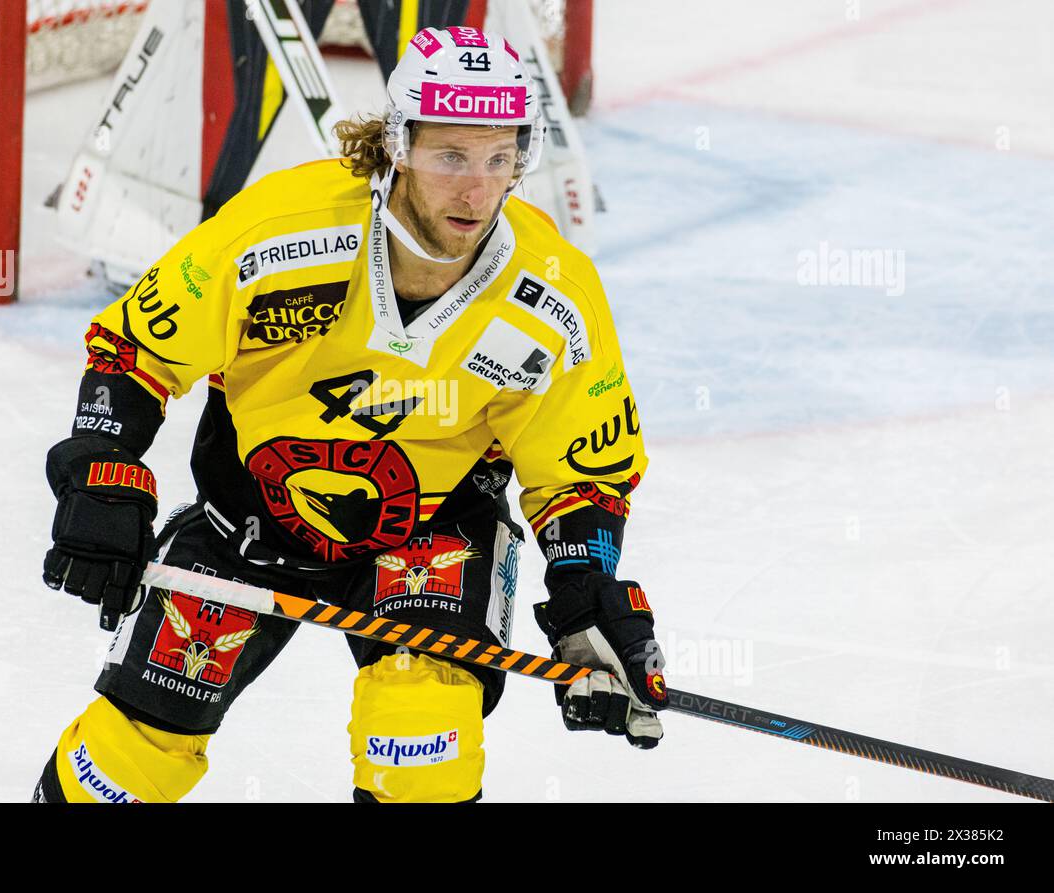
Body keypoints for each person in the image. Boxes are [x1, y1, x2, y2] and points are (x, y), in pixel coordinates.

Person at [34, 25, 667, 804]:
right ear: (398, 144)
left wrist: (586, 592)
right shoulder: (281, 229)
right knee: (126, 762)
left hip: (430, 535)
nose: (478, 191)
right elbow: (136, 346)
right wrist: (105, 469)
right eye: (451, 157)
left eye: (501, 159)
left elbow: (581, 474)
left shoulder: (553, 297)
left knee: (421, 741)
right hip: (252, 520)